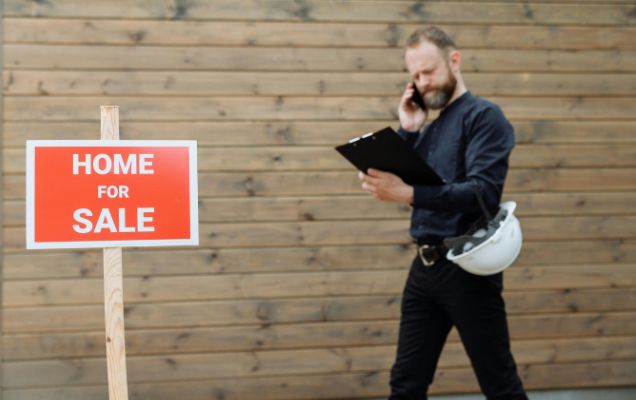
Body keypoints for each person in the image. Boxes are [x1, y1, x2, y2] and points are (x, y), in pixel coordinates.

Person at [358, 26, 529, 400]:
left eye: (429, 71)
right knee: (406, 383)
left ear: (455, 60)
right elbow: (404, 176)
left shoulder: (484, 116)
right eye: (415, 76)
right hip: (424, 268)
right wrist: (408, 130)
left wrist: (408, 194)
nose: (423, 83)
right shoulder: (429, 128)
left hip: (469, 268)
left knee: (500, 385)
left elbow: (481, 191)